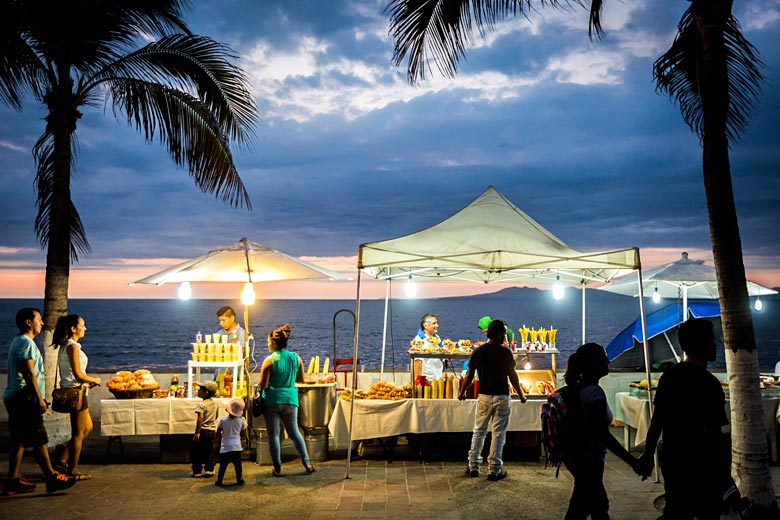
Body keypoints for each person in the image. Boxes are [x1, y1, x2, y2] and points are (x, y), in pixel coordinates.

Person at [638, 318, 734, 519]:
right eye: (711, 340)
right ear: (703, 345)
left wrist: (648, 456)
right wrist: (726, 475)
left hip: (674, 459)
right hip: (703, 464)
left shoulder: (670, 376)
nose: (715, 345)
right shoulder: (710, 384)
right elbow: (719, 434)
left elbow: (657, 421)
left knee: (677, 510)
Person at [561, 342, 641, 520]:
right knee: (590, 506)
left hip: (576, 458)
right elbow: (602, 434)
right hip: (590, 460)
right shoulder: (595, 394)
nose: (608, 362)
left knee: (591, 505)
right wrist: (633, 461)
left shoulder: (578, 390)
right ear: (593, 364)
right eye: (603, 358)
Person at [2, 308, 77, 496]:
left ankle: (12, 480)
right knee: (39, 438)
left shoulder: (18, 341)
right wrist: (39, 398)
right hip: (25, 397)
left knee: (19, 440)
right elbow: (29, 374)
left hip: (15, 396)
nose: (42, 323)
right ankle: (51, 477)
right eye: (39, 319)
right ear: (29, 322)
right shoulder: (26, 343)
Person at [458, 320, 527, 481]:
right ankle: (494, 470)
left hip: (484, 397)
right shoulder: (506, 352)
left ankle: (473, 466)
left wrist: (462, 392)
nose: (505, 336)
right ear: (497, 334)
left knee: (479, 431)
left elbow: (469, 374)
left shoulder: (479, 351)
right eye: (504, 333)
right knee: (498, 434)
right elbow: (513, 376)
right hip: (502, 397)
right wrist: (521, 395)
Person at [259, 325, 315, 476]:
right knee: (295, 432)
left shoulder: (269, 360)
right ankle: (307, 463)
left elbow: (262, 385)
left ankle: (277, 468)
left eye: (268, 342)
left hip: (272, 400)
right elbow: (301, 379)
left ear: (273, 343)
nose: (267, 344)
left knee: (274, 435)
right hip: (291, 399)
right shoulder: (296, 358)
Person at [51, 314, 102, 480]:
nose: (85, 328)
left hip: (78, 390)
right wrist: (95, 380)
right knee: (78, 433)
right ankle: (72, 472)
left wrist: (88, 382)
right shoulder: (72, 347)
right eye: (83, 325)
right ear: (74, 328)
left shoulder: (67, 345)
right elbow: (79, 374)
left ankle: (61, 458)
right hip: (76, 392)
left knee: (87, 428)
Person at [213, 397, 247, 486]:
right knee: (238, 465)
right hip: (237, 447)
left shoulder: (223, 420)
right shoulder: (241, 421)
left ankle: (220, 480)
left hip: (225, 447)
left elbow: (218, 433)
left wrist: (216, 442)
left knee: (223, 466)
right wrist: (243, 442)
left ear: (227, 409)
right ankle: (239, 479)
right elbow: (244, 433)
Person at [190, 380, 219, 478]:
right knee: (209, 451)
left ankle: (197, 471)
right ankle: (209, 469)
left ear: (206, 393)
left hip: (203, 430)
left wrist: (197, 432)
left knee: (197, 451)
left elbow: (200, 418)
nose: (198, 391)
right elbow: (216, 416)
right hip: (211, 431)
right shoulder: (215, 404)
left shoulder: (201, 404)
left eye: (200, 390)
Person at [413, 313, 445, 381]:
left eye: (437, 323)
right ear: (425, 325)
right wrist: (417, 380)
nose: (437, 325)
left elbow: (442, 352)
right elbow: (418, 361)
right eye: (434, 323)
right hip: (427, 379)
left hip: (438, 377)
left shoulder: (436, 337)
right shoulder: (419, 340)